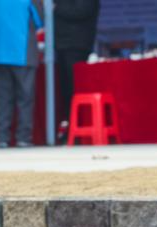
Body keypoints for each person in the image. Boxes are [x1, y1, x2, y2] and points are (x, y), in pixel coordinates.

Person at [0, 0, 42, 148]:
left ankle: (2, 138)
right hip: (22, 52)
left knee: (3, 100)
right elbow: (40, 20)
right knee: (25, 99)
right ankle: (23, 138)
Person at [53, 0, 99, 136]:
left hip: (77, 44)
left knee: (74, 89)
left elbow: (81, 11)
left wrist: (56, 7)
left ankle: (77, 129)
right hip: (62, 45)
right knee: (65, 90)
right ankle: (69, 127)